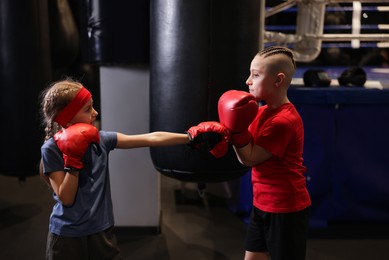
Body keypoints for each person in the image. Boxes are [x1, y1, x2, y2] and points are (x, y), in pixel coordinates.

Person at [39, 78, 228, 260]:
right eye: (88, 109)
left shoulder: (101, 140)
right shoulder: (51, 150)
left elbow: (150, 138)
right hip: (67, 236)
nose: (95, 113)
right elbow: (66, 197)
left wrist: (190, 137)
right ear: (68, 119)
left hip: (101, 230)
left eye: (93, 105)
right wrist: (73, 160)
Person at [218, 46, 311, 260]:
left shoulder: (283, 121)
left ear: (278, 80)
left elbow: (248, 157)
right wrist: (217, 132)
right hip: (262, 203)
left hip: (286, 208)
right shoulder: (261, 112)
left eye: (256, 75)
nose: (247, 81)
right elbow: (241, 138)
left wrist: (234, 132)